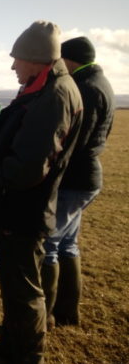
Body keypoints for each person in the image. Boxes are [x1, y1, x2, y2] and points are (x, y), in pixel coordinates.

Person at [0, 21, 83, 364]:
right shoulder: (44, 88)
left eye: (17, 59)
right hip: (15, 207)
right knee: (15, 286)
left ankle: (27, 358)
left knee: (24, 290)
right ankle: (11, 346)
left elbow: (30, 165)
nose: (12, 66)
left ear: (36, 59)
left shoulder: (55, 95)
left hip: (21, 210)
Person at [41, 36, 115, 330]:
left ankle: (43, 317)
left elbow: (76, 142)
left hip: (74, 179)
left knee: (50, 243)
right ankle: (68, 312)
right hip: (86, 177)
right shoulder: (102, 84)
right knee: (67, 244)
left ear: (70, 60)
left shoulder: (86, 88)